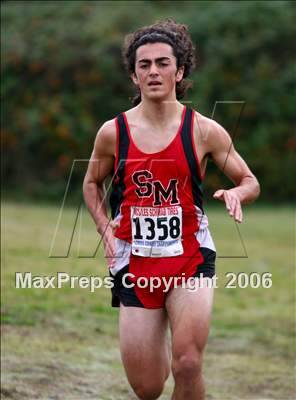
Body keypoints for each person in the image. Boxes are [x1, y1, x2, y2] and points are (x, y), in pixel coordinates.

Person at [83, 19, 260, 400]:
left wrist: (236, 194)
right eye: (144, 65)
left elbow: (250, 181)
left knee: (188, 364)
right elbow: (90, 184)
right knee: (147, 387)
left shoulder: (204, 130)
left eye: (163, 63)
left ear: (179, 71)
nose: (153, 72)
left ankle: (179, 346)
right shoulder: (113, 132)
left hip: (190, 256)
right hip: (135, 261)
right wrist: (104, 229)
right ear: (134, 76)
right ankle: (157, 339)